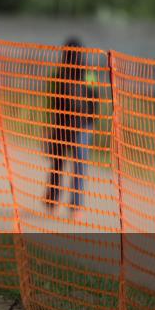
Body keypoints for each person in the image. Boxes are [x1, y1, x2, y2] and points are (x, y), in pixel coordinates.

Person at [43, 39, 100, 222]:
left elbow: (50, 103)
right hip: (80, 125)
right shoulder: (88, 74)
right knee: (77, 167)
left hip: (66, 124)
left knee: (59, 165)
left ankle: (54, 203)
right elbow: (96, 100)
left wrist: (48, 126)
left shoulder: (58, 74)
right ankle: (74, 207)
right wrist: (92, 123)